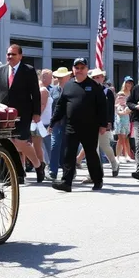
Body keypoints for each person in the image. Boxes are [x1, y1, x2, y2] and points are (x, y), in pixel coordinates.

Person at [0, 44, 45, 183]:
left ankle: (38, 165)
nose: (10, 57)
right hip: (6, 114)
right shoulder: (1, 70)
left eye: (13, 54)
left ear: (20, 56)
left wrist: (37, 112)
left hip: (24, 113)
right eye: (8, 54)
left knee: (19, 142)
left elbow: (35, 93)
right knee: (10, 143)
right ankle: (18, 174)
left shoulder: (28, 70)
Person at [49, 58, 107, 192]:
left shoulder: (94, 86)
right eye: (77, 68)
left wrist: (103, 124)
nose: (79, 70)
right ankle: (66, 183)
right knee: (68, 154)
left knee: (91, 154)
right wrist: (53, 121)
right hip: (71, 126)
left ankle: (97, 180)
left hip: (90, 127)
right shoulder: (68, 85)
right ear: (73, 69)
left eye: (82, 68)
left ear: (87, 69)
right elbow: (61, 106)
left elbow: (102, 107)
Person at [89, 68, 120, 177]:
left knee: (105, 146)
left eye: (99, 77)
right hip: (92, 122)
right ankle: (98, 170)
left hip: (104, 122)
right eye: (95, 77)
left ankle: (114, 163)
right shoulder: (89, 90)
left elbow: (111, 109)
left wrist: (110, 122)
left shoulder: (107, 91)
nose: (97, 79)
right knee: (94, 147)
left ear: (103, 78)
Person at [48, 67, 72, 179]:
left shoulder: (73, 89)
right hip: (57, 122)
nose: (60, 79)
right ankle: (53, 171)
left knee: (67, 147)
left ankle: (68, 170)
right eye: (58, 77)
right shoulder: (52, 91)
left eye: (62, 77)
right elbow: (50, 108)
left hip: (70, 122)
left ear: (68, 77)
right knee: (55, 145)